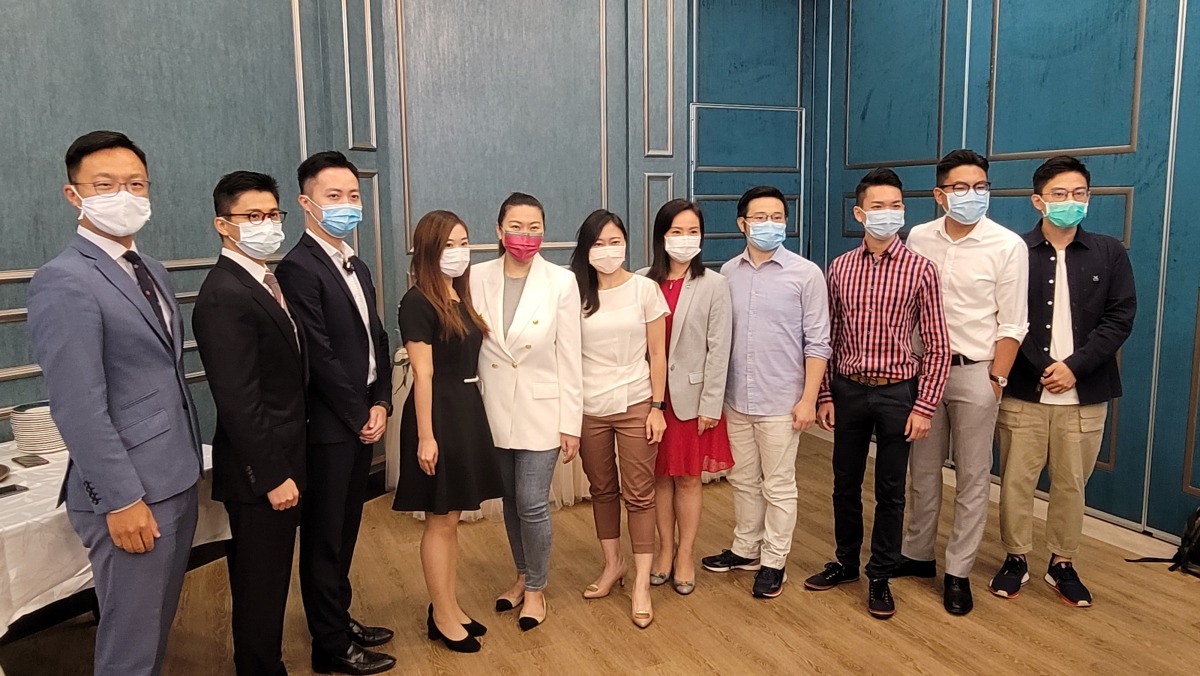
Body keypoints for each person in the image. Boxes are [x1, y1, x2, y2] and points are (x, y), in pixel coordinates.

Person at [27, 130, 203, 676]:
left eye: (135, 184)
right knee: (130, 645)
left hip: (175, 475)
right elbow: (77, 405)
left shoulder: (151, 269)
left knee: (154, 627)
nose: (123, 195)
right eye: (104, 185)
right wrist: (121, 499)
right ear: (73, 194)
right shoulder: (64, 280)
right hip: (131, 493)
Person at [805, 168, 951, 619]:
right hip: (848, 390)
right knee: (844, 483)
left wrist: (924, 406)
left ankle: (881, 575)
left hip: (898, 393)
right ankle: (846, 562)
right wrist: (825, 394)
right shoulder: (840, 268)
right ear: (859, 213)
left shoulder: (921, 269)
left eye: (896, 206)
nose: (888, 214)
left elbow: (938, 345)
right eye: (878, 206)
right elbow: (827, 337)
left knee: (891, 490)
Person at [991, 156, 1136, 607]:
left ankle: (1062, 563)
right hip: (1025, 391)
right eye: (1059, 194)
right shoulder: (1015, 250)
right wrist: (1041, 366)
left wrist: (1075, 366)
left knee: (1072, 484)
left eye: (1079, 193)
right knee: (1016, 481)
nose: (1070, 201)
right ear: (1038, 201)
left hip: (1085, 393)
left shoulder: (1109, 252)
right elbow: (1005, 316)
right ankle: (1016, 557)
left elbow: (1120, 317)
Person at [275, 151, 395, 675]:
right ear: (306, 203)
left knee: (346, 529)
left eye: (353, 195)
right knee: (324, 536)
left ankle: (338, 619)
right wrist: (357, 412)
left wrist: (382, 400)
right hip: (328, 425)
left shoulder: (356, 264)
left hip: (363, 411)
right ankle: (329, 646)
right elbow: (318, 354)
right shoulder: (297, 268)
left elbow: (377, 338)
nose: (347, 204)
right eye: (334, 196)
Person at [895, 149, 1029, 616]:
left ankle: (958, 570)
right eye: (960, 187)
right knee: (922, 470)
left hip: (977, 371)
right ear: (940, 194)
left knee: (973, 477)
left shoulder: (1007, 245)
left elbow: (1013, 322)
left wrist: (997, 378)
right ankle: (917, 554)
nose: (972, 195)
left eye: (980, 187)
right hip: (924, 371)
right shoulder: (919, 236)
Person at [193, 171, 307, 675]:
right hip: (261, 470)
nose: (268, 225)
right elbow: (238, 399)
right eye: (253, 216)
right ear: (223, 224)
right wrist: (272, 475)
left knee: (268, 578)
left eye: (273, 214)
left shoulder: (262, 279)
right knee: (260, 584)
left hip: (285, 454)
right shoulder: (225, 293)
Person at [702, 185, 831, 599]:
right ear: (742, 224)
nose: (770, 224)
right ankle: (746, 549)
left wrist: (809, 399)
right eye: (760, 218)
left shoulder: (806, 274)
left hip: (783, 401)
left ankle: (774, 561)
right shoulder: (726, 273)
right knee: (742, 480)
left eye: (777, 217)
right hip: (736, 398)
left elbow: (818, 343)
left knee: (778, 486)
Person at [470, 193, 583, 631]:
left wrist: (571, 424)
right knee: (511, 501)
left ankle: (536, 587)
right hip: (491, 409)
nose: (525, 235)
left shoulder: (561, 282)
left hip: (543, 410)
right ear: (499, 231)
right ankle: (521, 575)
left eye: (534, 227)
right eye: (516, 227)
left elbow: (570, 355)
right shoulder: (476, 277)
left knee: (533, 502)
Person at [394, 209, 503, 652]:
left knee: (452, 519)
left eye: (464, 243)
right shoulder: (417, 302)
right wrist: (426, 436)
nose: (459, 252)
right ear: (428, 251)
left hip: (465, 409)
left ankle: (450, 605)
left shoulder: (459, 295)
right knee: (439, 520)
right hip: (438, 412)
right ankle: (440, 614)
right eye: (448, 245)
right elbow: (423, 373)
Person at [569, 209, 669, 628]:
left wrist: (658, 407)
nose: (607, 250)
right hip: (589, 406)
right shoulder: (574, 292)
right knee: (602, 489)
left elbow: (658, 353)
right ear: (586, 249)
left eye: (615, 242)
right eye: (598, 243)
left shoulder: (645, 289)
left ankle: (642, 581)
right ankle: (613, 564)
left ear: (626, 244)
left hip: (636, 401)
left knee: (640, 493)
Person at [639, 199, 733, 595]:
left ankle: (685, 555)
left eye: (693, 232)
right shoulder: (642, 280)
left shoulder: (714, 284)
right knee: (659, 479)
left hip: (692, 401)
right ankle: (664, 550)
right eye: (676, 231)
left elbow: (719, 348)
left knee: (689, 480)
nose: (685, 239)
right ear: (661, 236)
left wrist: (711, 404)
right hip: (649, 398)